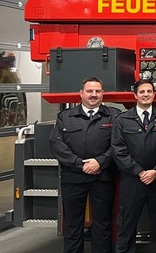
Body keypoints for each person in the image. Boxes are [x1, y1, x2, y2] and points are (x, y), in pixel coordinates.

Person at [49, 77, 121, 253]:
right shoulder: (65, 117)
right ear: (81, 93)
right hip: (73, 178)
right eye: (89, 91)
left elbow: (118, 145)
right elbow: (56, 145)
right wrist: (79, 164)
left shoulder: (114, 115)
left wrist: (100, 162)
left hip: (102, 177)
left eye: (97, 91)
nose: (94, 95)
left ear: (103, 93)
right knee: (73, 225)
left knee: (103, 224)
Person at [112, 79, 156, 253]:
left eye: (149, 92)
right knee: (127, 223)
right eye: (142, 92)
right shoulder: (122, 120)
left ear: (154, 94)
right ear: (135, 95)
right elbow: (118, 150)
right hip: (132, 180)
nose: (145, 95)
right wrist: (139, 171)